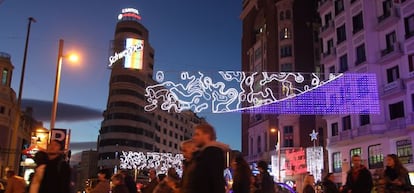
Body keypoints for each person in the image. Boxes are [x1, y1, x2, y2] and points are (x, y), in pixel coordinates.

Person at [189, 123, 230, 193]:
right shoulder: (203, 154)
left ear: (207, 135)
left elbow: (216, 182)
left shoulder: (212, 153)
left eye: (197, 134)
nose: (194, 138)